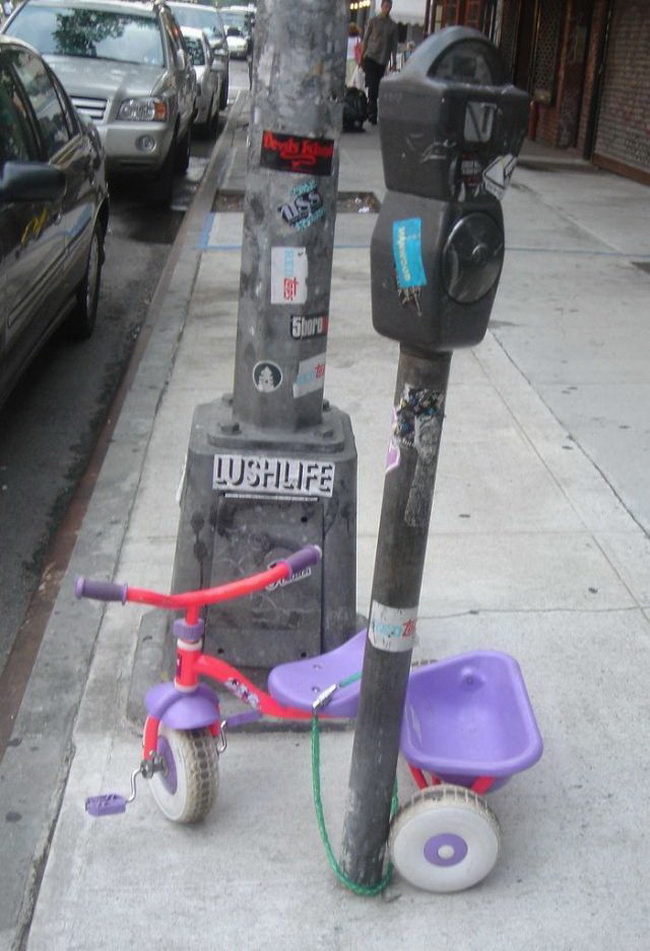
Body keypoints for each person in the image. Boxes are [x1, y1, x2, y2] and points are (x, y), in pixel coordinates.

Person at [360, 0, 398, 125]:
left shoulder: (393, 25)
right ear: (381, 7)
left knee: (376, 85)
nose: (387, 9)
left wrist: (394, 61)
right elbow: (365, 39)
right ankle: (372, 112)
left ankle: (370, 109)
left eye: (389, 7)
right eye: (385, 6)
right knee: (373, 85)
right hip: (371, 56)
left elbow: (394, 45)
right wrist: (361, 57)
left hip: (382, 59)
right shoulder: (373, 21)